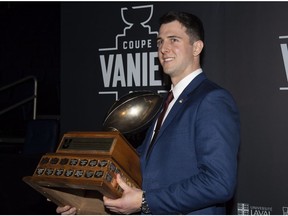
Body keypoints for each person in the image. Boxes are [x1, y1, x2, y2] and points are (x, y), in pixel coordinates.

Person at [56, 11, 240, 215]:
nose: (164, 48)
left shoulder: (212, 99)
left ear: (196, 47)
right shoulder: (165, 104)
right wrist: (82, 201)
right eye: (160, 41)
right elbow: (143, 172)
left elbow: (219, 182)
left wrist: (145, 201)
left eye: (174, 40)